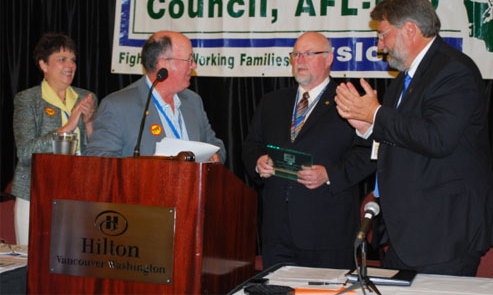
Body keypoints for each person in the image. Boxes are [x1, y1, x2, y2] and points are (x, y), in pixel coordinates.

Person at [335, 0, 493, 276]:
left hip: (446, 233)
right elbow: (405, 136)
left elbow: (438, 138)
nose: (379, 44)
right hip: (410, 233)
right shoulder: (405, 79)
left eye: (383, 34)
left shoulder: (453, 70)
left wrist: (375, 113)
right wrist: (369, 127)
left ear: (409, 30)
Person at [242, 32, 375, 269]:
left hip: (326, 231)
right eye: (296, 54)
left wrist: (330, 174)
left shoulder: (349, 99)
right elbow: (252, 144)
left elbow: (369, 153)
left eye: (309, 54)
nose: (300, 60)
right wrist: (258, 161)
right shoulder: (272, 102)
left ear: (329, 59)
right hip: (277, 231)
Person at [85, 31, 226, 162]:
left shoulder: (193, 101)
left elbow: (215, 144)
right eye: (188, 60)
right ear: (163, 64)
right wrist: (147, 169)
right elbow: (98, 159)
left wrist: (214, 156)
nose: (194, 65)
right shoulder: (117, 106)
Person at [12, 32, 97, 245]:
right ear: (43, 65)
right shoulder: (28, 100)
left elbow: (96, 151)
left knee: (73, 260)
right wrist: (68, 126)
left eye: (72, 59)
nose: (70, 65)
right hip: (35, 194)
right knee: (32, 262)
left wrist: (88, 123)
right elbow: (25, 154)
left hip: (77, 193)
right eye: (61, 59)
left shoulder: (86, 97)